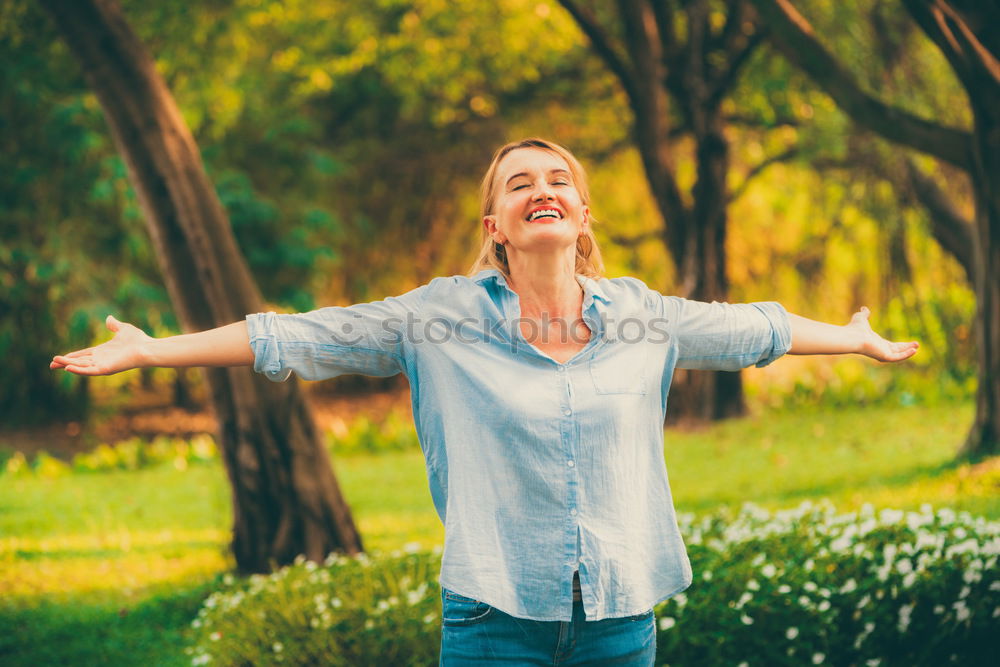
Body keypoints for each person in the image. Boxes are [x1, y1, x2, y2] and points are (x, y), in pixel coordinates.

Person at [51, 138, 918, 666]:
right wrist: (152, 349)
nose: (540, 188)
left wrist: (853, 336)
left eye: (557, 180)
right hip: (493, 617)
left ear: (581, 216)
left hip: (622, 618)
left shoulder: (642, 316)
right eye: (517, 182)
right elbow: (296, 336)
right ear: (495, 226)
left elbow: (755, 329)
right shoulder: (440, 318)